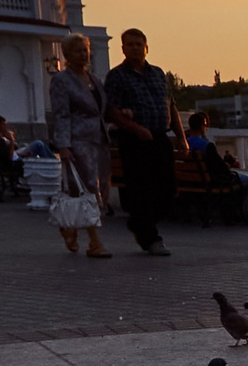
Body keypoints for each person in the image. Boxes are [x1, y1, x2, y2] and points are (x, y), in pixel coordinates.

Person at [104, 29, 177, 256]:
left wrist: (181, 138)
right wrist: (136, 128)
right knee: (142, 189)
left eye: (139, 44)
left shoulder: (157, 73)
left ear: (146, 47)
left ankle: (139, 223)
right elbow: (111, 111)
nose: (135, 48)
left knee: (167, 189)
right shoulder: (117, 76)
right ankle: (150, 238)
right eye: (130, 44)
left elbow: (170, 105)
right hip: (134, 140)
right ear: (123, 49)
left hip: (159, 136)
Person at [47, 35, 111, 258]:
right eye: (77, 51)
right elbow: (61, 114)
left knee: (101, 188)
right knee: (88, 191)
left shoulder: (93, 79)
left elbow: (103, 109)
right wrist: (63, 145)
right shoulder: (61, 80)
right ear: (67, 55)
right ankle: (95, 242)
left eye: (85, 50)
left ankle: (70, 227)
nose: (83, 55)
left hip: (99, 141)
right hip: (78, 142)